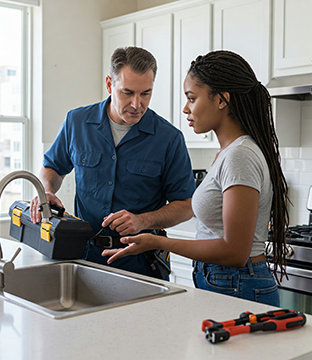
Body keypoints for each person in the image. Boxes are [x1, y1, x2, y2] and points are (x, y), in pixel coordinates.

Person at [103, 50, 290, 307]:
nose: (185, 108)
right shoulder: (229, 152)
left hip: (238, 283)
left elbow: (235, 252)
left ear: (222, 100)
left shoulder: (240, 156)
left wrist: (156, 241)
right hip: (226, 281)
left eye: (192, 98)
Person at [30, 46, 195, 279]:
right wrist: (46, 190)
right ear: (109, 85)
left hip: (141, 264)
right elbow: (53, 168)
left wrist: (142, 220)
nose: (137, 104)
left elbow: (186, 205)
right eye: (127, 93)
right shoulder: (76, 122)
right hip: (84, 257)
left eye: (145, 93)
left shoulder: (169, 138)